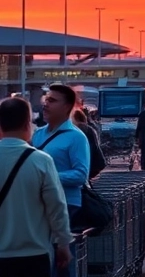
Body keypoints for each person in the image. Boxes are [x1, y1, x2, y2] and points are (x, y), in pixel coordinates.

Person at [0, 97, 74, 277]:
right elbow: (56, 207)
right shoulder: (41, 161)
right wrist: (63, 243)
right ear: (28, 123)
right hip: (33, 255)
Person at [31, 83, 89, 277]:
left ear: (67, 107)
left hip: (66, 204)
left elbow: (81, 174)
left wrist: (49, 178)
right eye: (46, 99)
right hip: (38, 204)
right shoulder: (37, 134)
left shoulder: (76, 137)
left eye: (52, 101)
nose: (46, 104)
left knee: (62, 260)